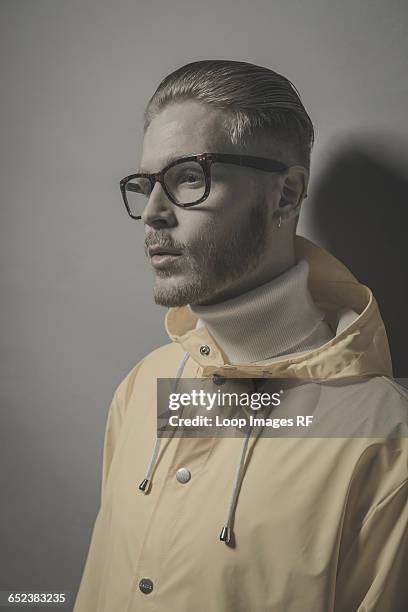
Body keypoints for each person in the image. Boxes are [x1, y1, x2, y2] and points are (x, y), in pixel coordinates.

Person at [73, 60, 408, 611]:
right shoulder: (142, 388)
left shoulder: (387, 440)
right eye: (145, 183)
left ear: (284, 194)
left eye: (187, 176)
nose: (153, 214)